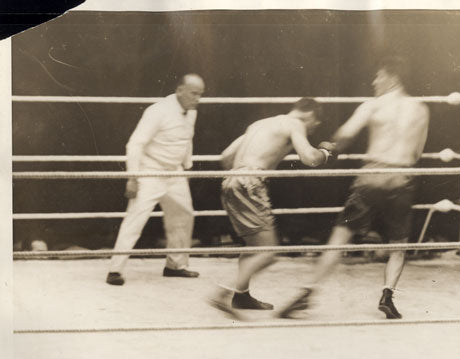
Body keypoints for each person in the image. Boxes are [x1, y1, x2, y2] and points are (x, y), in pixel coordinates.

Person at [278, 56, 429, 319]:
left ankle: (308, 293)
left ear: (392, 77)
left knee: (340, 236)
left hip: (372, 176)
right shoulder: (421, 109)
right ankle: (387, 294)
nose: (374, 81)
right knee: (399, 244)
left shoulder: (372, 106)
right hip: (403, 178)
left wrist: (327, 150)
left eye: (378, 76)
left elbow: (345, 135)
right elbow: (417, 153)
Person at [208, 98, 336, 317]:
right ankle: (222, 294)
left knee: (253, 245)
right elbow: (309, 159)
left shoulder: (259, 124)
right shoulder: (294, 124)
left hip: (230, 182)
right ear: (310, 115)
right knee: (268, 252)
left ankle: (241, 295)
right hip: (250, 183)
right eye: (314, 125)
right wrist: (325, 153)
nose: (312, 129)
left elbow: (226, 157)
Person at [106, 74, 205, 285]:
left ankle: (175, 265)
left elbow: (187, 139)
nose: (197, 99)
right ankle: (115, 270)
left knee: (184, 215)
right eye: (193, 93)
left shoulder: (192, 112)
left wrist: (186, 166)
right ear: (180, 90)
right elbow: (135, 144)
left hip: (175, 172)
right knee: (136, 218)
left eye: (200, 95)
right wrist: (133, 177)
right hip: (150, 170)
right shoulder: (158, 111)